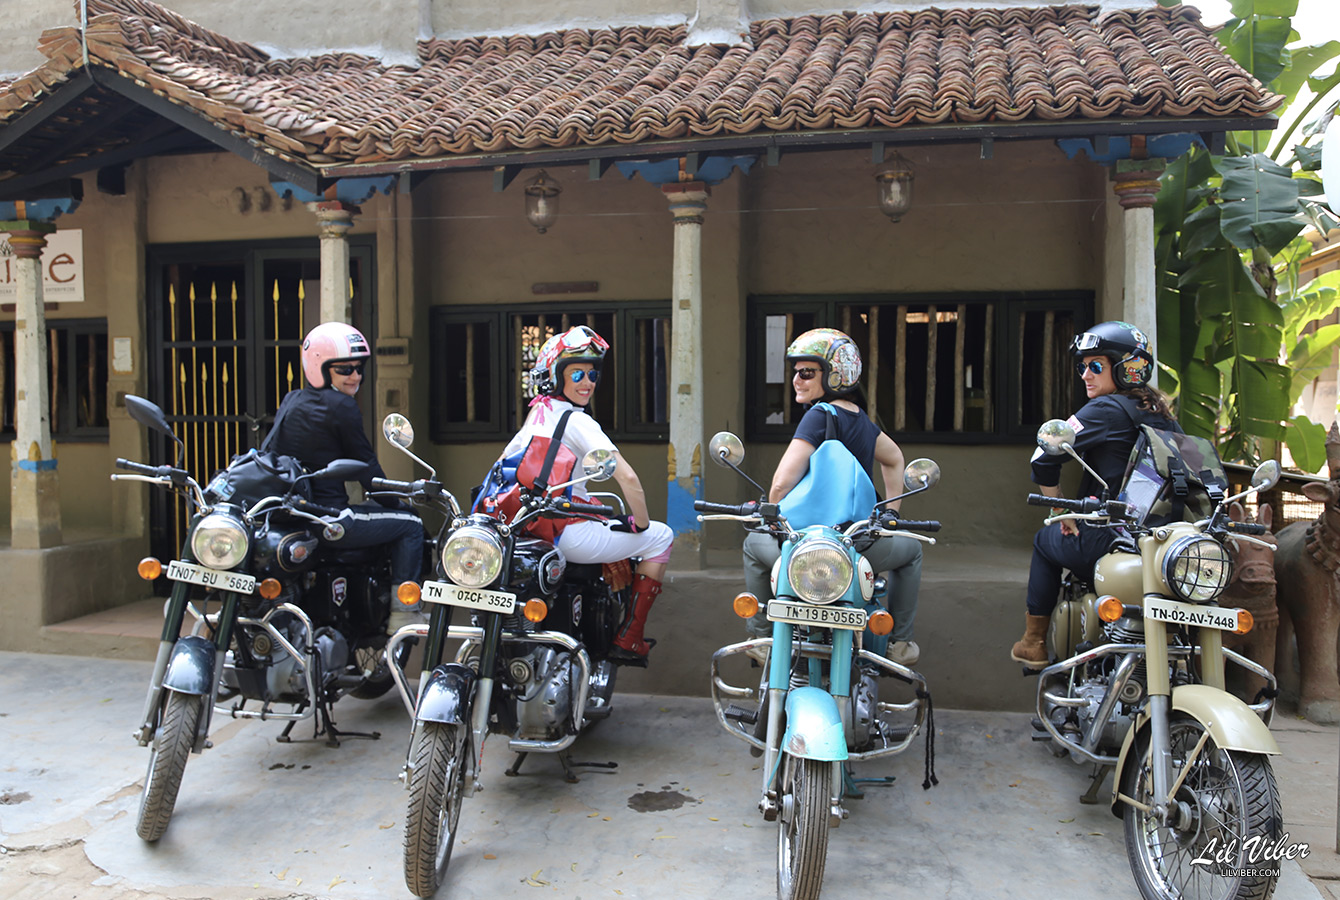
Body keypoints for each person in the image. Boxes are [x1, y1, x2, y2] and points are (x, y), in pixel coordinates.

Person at [742, 328, 923, 666]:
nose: (797, 379)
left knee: (753, 544)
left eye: (807, 372)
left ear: (837, 375)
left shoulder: (818, 415)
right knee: (911, 551)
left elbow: (781, 483)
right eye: (795, 372)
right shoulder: (863, 422)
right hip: (856, 545)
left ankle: (761, 637)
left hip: (805, 544)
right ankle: (900, 643)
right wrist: (889, 515)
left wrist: (769, 510)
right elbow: (895, 458)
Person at [500, 325, 674, 664]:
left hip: (527, 528)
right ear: (554, 375)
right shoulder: (579, 421)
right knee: (662, 537)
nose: (588, 382)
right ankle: (630, 637)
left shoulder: (539, 412)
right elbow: (629, 479)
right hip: (567, 535)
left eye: (592, 374)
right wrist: (638, 523)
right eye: (577, 373)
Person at [1011, 320, 1180, 668]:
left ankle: (1034, 643)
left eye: (1096, 366)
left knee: (1045, 541)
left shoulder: (1104, 409)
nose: (1085, 374)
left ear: (1123, 368)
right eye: (1082, 366)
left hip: (1111, 537)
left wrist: (1061, 510)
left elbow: (1044, 457)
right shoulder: (1162, 414)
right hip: (1162, 543)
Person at [265, 322, 426, 632]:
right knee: (411, 524)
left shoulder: (291, 400)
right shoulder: (342, 406)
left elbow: (271, 452)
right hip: (329, 519)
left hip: (292, 516)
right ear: (320, 368)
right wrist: (398, 500)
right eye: (344, 369)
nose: (356, 376)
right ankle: (406, 614)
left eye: (358, 367)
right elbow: (367, 469)